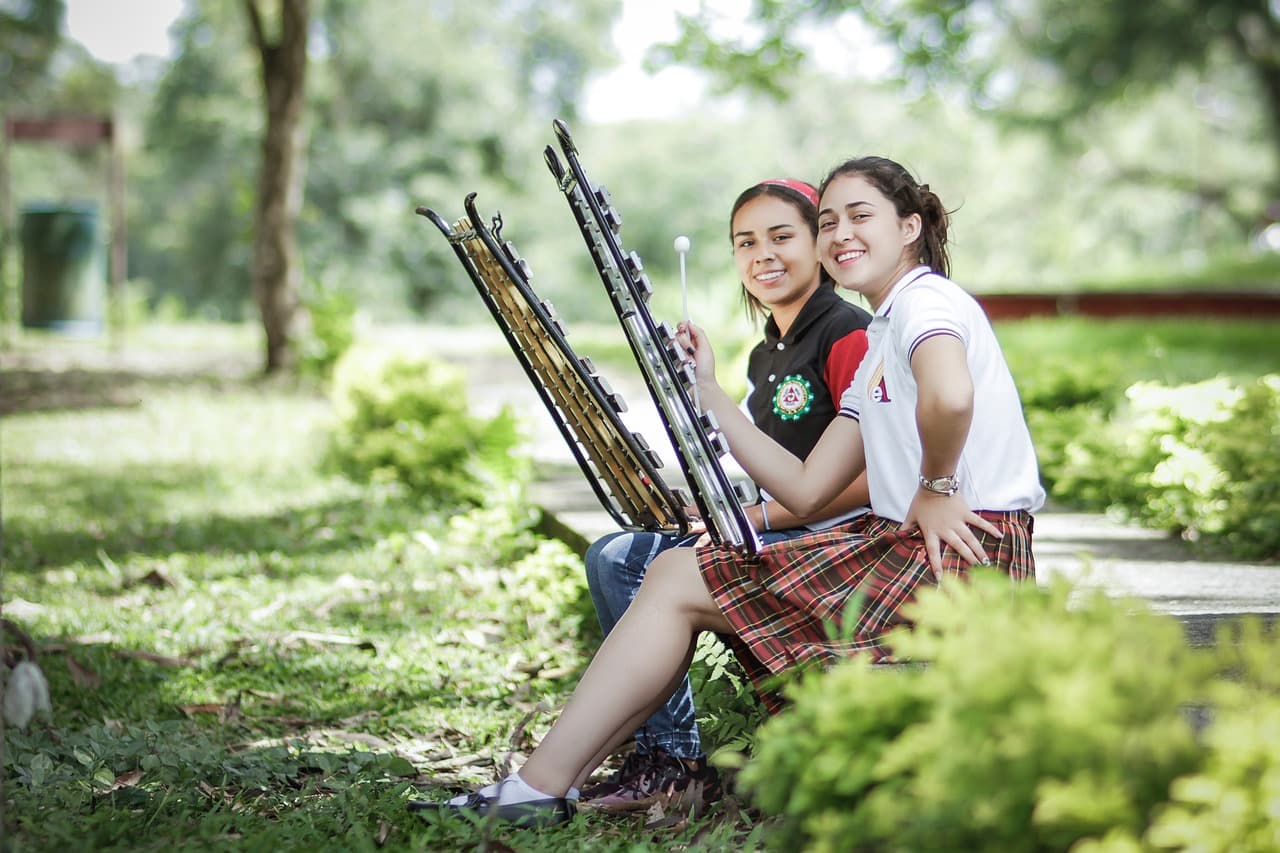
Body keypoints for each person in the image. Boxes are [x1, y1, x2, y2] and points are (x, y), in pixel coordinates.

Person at [409, 155, 1044, 828]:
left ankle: (553, 785)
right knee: (678, 571)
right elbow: (804, 487)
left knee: (677, 575)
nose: (840, 234)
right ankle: (542, 788)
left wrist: (939, 484)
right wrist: (709, 391)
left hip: (959, 554)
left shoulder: (926, 299)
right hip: (904, 549)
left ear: (910, 226)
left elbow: (950, 394)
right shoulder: (884, 334)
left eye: (861, 217)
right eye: (829, 221)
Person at [579, 177, 872, 811]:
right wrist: (709, 506)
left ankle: (672, 759)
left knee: (631, 561)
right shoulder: (767, 353)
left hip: (839, 541)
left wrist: (754, 516)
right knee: (615, 552)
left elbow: (874, 476)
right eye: (745, 242)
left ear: (821, 243)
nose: (762, 254)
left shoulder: (849, 334)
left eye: (781, 236)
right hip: (776, 523)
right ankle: (667, 758)